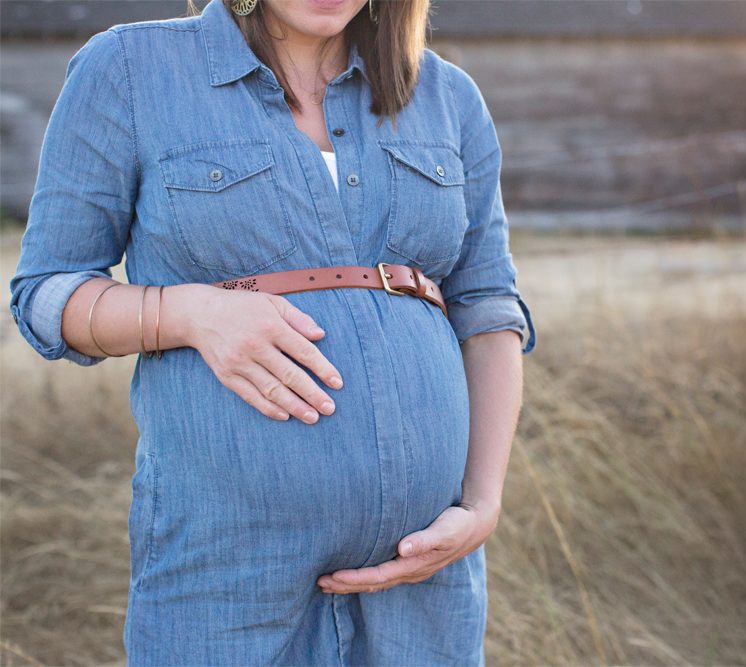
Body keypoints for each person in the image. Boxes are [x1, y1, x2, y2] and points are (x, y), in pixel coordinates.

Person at [7, 0, 536, 663]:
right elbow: (46, 293)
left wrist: (483, 506)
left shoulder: (447, 95)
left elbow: (488, 309)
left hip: (426, 580)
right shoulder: (131, 69)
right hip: (227, 579)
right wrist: (190, 313)